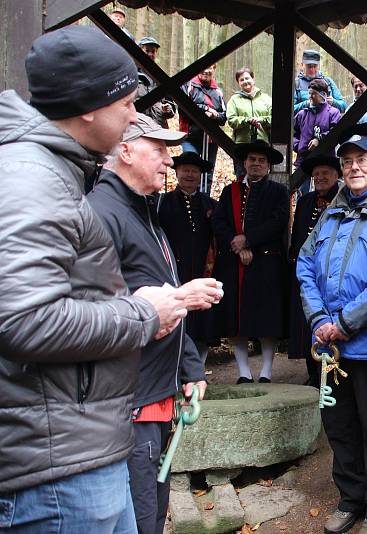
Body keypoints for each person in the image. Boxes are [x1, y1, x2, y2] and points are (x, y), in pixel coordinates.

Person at [0, 25, 187, 531]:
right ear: (88, 107)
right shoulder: (31, 180)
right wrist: (144, 313)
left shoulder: (54, 174)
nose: (132, 116)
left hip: (75, 448)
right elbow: (22, 320)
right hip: (54, 468)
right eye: (126, 103)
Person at [88, 114, 222, 534]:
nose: (170, 161)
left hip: (156, 397)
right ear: (125, 151)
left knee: (153, 513)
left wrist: (189, 369)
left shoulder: (145, 212)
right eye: (159, 149)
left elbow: (163, 299)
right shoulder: (101, 214)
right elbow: (90, 312)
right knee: (140, 519)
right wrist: (180, 297)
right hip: (126, 405)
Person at [297, 135, 367, 534]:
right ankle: (350, 500)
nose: (355, 167)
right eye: (348, 162)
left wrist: (344, 322)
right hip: (328, 347)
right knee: (339, 426)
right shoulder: (329, 214)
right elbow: (305, 264)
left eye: (364, 160)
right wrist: (319, 319)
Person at [212, 140, 289, 384]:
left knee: (266, 319)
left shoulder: (279, 192)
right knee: (238, 320)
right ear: (244, 163)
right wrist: (236, 244)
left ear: (268, 166)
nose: (256, 164)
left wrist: (249, 241)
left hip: (266, 263)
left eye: (261, 160)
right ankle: (243, 371)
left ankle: (266, 370)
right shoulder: (229, 192)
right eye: (252, 159)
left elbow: (278, 223)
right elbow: (219, 222)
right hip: (235, 263)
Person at [159, 151, 219, 364]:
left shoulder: (210, 204)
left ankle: (199, 367)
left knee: (201, 324)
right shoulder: (162, 203)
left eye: (194, 171)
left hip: (203, 269)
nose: (190, 175)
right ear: (177, 173)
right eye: (185, 170)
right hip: (173, 271)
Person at [288, 155, 341, 387]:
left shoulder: (342, 199)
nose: (319, 178)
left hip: (330, 270)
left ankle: (330, 373)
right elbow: (299, 232)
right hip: (307, 271)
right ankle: (313, 372)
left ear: (336, 176)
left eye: (325, 173)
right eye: (316, 174)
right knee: (306, 323)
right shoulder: (305, 201)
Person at [179, 64, 226, 180]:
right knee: (190, 169)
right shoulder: (188, 85)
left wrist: (214, 115)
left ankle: (204, 197)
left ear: (214, 69)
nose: (206, 70)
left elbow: (223, 118)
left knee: (207, 174)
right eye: (204, 67)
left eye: (209, 68)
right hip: (190, 137)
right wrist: (205, 109)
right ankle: (186, 197)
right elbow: (183, 109)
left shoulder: (218, 92)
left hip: (210, 140)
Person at [227, 67, 272, 177]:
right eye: (241, 80)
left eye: (247, 78)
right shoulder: (234, 100)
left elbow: (274, 118)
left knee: (262, 177)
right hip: (242, 144)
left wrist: (262, 120)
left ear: (253, 79)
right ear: (238, 83)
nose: (245, 81)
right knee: (241, 176)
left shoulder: (266, 99)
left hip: (262, 143)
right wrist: (246, 121)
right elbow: (231, 120)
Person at [292, 78, 342, 168]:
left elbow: (335, 133)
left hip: (326, 161)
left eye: (314, 93)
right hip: (303, 161)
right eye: (309, 93)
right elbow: (293, 134)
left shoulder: (333, 113)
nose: (310, 96)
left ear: (323, 95)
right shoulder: (302, 114)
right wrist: (298, 146)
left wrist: (319, 140)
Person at [136, 37, 175, 128]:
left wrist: (168, 109)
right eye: (147, 50)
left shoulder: (160, 76)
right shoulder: (131, 72)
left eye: (153, 51)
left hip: (157, 127)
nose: (150, 54)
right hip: (137, 128)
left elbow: (171, 104)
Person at [294, 49, 347, 113]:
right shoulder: (296, 84)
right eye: (309, 66)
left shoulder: (328, 82)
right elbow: (290, 110)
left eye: (315, 66)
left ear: (319, 66)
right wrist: (307, 103)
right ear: (302, 65)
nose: (312, 69)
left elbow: (344, 106)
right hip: (305, 122)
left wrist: (333, 102)